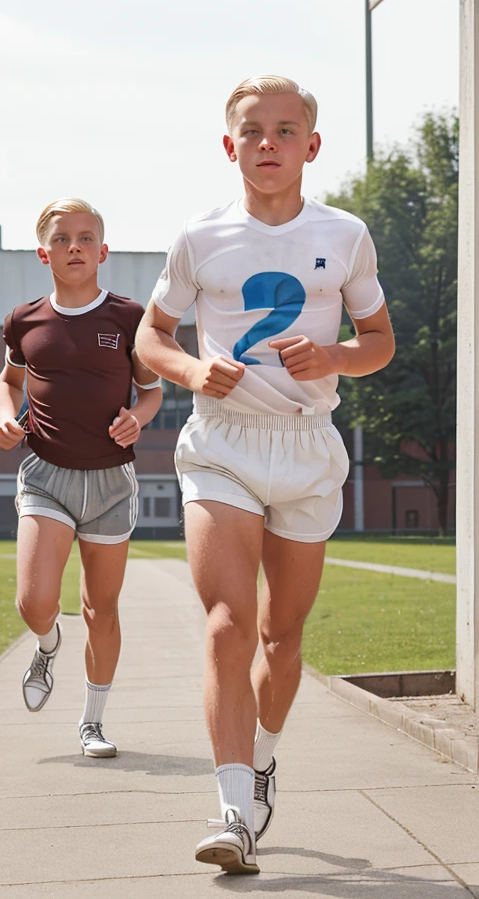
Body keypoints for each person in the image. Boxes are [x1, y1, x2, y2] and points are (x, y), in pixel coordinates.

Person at [135, 76, 395, 873]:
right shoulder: (200, 237)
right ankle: (232, 810)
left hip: (308, 446)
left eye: (287, 131)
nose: (269, 144)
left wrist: (337, 356)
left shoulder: (346, 235)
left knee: (282, 640)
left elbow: (380, 338)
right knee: (226, 622)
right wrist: (186, 370)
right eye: (254, 131)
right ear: (231, 146)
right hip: (222, 443)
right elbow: (151, 335)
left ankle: (265, 759)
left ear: (311, 146)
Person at [0, 198, 162, 758]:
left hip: (112, 483)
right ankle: (47, 643)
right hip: (46, 475)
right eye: (63, 238)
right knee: (34, 601)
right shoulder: (25, 320)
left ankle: (92, 722)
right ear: (44, 253)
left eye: (86, 238)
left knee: (101, 608)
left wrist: (137, 418)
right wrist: (3, 418)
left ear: (103, 251)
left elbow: (153, 390)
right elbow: (8, 384)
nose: (75, 247)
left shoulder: (128, 319)